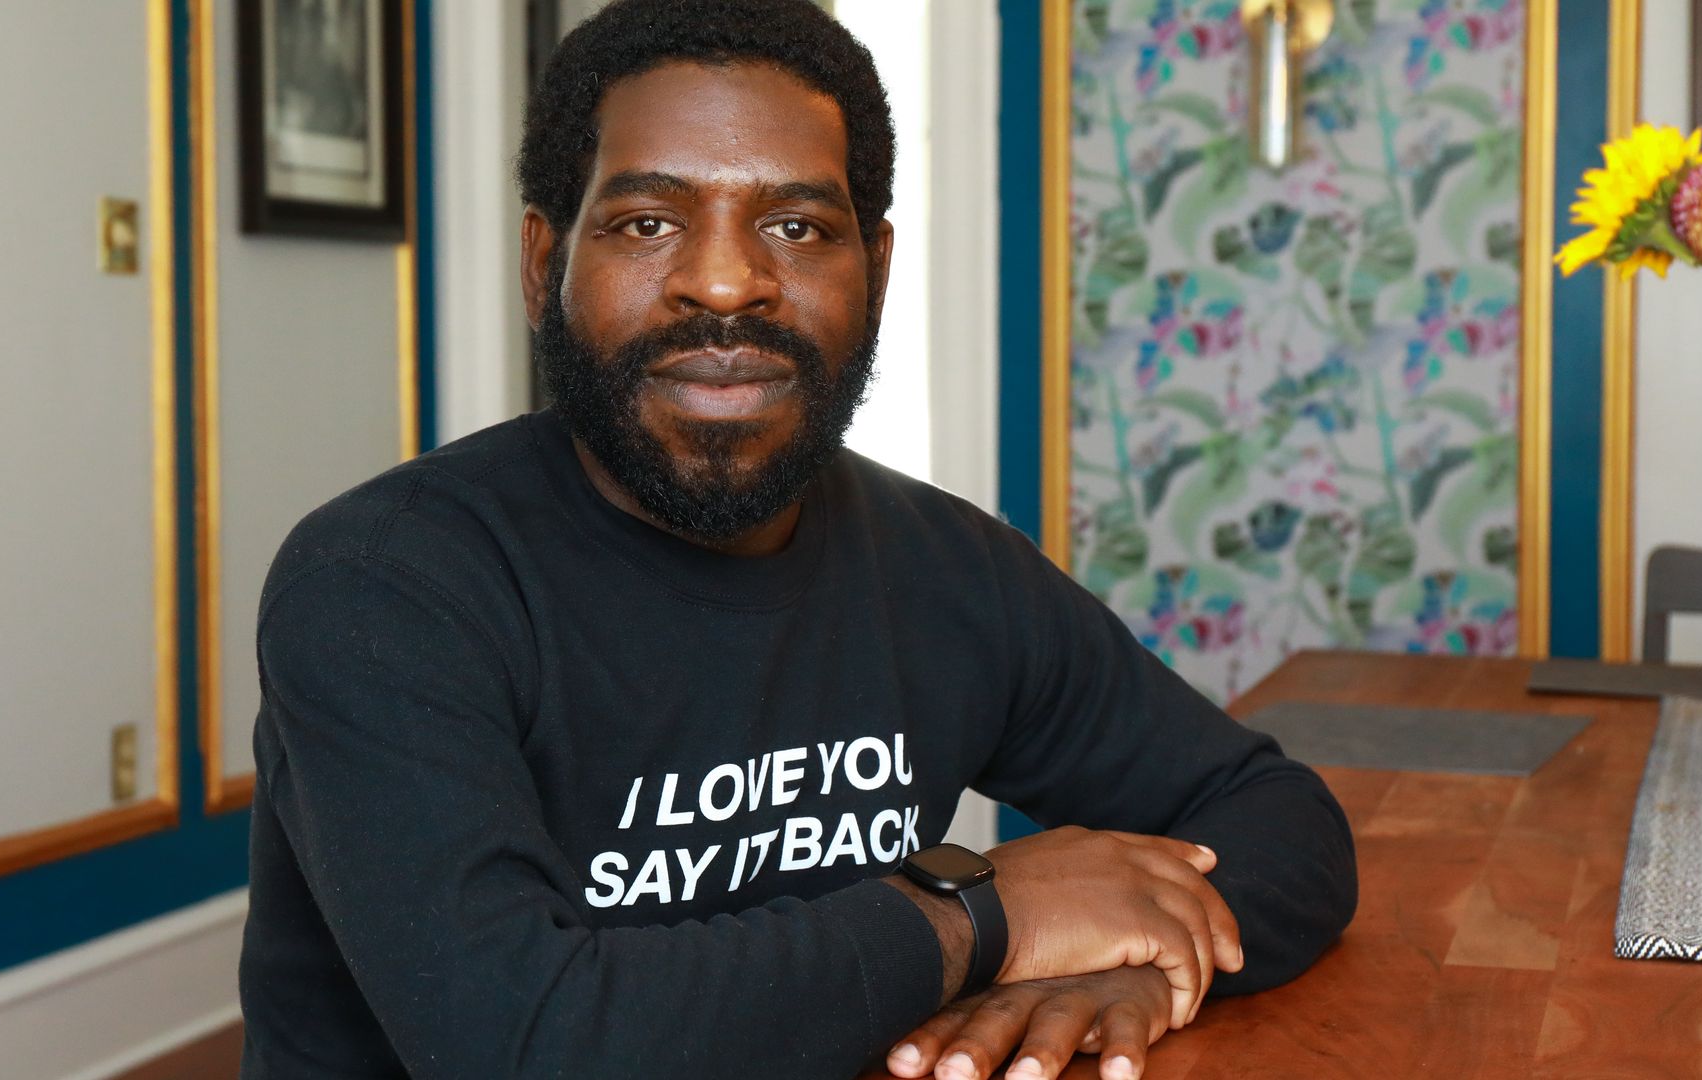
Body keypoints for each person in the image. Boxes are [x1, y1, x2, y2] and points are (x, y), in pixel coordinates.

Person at [236, 1, 1357, 1077]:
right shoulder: (384, 589)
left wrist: (1138, 979)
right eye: (646, 221)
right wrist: (982, 908)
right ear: (545, 266)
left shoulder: (948, 569)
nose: (726, 281)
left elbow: (1282, 828)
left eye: (795, 226)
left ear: (871, 268)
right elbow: (534, 1041)